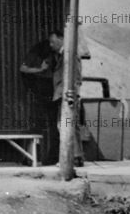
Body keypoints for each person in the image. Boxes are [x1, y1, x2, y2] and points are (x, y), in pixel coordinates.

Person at [48, 30, 85, 167]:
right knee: (67, 125)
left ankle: (73, 159)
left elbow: (76, 76)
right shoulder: (64, 55)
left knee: (66, 125)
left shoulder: (70, 55)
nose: (51, 45)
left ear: (61, 39)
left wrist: (71, 95)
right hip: (63, 95)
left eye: (53, 41)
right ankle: (76, 157)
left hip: (67, 96)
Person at [20, 39, 58, 165]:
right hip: (40, 90)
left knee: (52, 125)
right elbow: (23, 68)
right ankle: (34, 157)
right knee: (40, 124)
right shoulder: (36, 54)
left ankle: (49, 157)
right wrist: (41, 69)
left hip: (50, 90)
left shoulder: (57, 55)